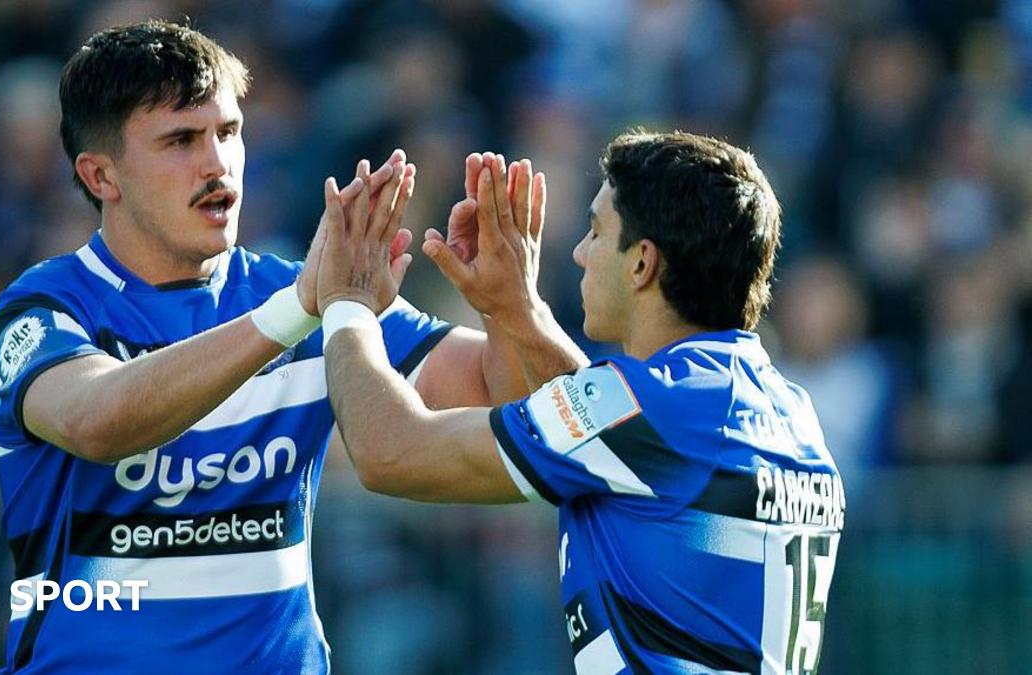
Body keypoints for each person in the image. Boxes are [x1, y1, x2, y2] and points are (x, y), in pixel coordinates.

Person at [0, 20, 542, 674]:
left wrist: (514, 309)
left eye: (228, 132)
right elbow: (95, 420)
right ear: (101, 175)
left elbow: (512, 402)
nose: (217, 163)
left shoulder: (303, 292)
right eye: (181, 140)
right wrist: (303, 307)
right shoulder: (46, 306)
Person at [318, 131, 846, 674]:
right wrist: (517, 309)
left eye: (595, 232)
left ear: (642, 263)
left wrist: (346, 302)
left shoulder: (656, 411)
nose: (578, 252)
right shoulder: (784, 409)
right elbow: (601, 420)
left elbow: (389, 453)